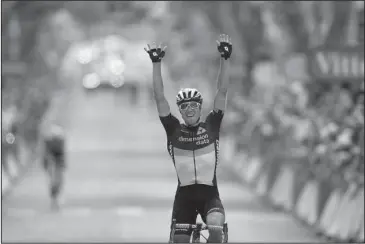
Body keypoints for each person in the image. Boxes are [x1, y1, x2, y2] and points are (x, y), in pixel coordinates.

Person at [144, 34, 232, 243]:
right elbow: (159, 97)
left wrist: (225, 59)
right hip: (184, 198)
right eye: (185, 106)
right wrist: (156, 64)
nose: (189, 109)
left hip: (210, 196)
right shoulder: (173, 129)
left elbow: (222, 90)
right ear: (181, 112)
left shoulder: (211, 125)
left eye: (194, 105)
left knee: (216, 229)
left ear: (201, 109)